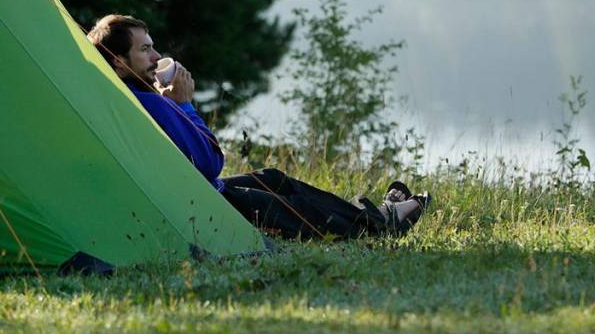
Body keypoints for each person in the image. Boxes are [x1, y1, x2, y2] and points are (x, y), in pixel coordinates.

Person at [86, 13, 430, 240]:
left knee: (273, 178)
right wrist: (185, 105)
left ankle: (371, 214)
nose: (156, 56)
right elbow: (209, 163)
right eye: (145, 49)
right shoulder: (150, 102)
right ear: (119, 61)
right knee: (298, 212)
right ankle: (382, 223)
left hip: (198, 193)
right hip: (204, 205)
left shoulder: (124, 97)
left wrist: (173, 106)